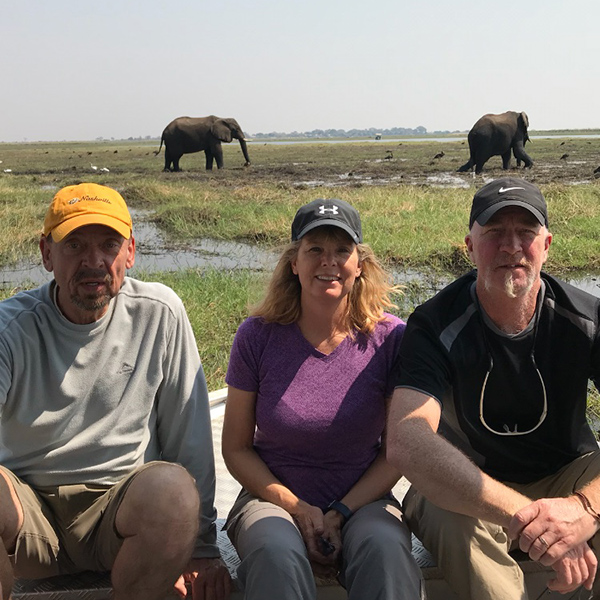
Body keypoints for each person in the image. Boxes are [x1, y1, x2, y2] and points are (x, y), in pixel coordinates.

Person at [0, 183, 230, 600]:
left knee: (175, 490)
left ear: (130, 252)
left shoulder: (159, 313)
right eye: (74, 245)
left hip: (120, 516)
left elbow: (189, 435)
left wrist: (201, 547)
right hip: (29, 515)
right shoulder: (10, 329)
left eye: (109, 244)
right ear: (46, 253)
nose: (94, 262)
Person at [387, 177, 600, 600]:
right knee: (445, 512)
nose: (511, 246)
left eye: (526, 232)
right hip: (469, 487)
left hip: (566, 476)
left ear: (547, 244)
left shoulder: (585, 320)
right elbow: (407, 439)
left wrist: (583, 509)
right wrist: (527, 515)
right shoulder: (434, 325)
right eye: (495, 233)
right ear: (469, 245)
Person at [221, 198, 422, 600]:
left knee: (385, 551)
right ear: (294, 262)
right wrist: (297, 507)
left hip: (363, 501)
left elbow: (397, 451)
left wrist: (341, 511)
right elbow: (237, 448)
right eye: (315, 250)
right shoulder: (256, 336)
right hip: (271, 498)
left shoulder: (390, 339)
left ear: (359, 264)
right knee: (275, 554)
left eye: (341, 251)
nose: (328, 262)